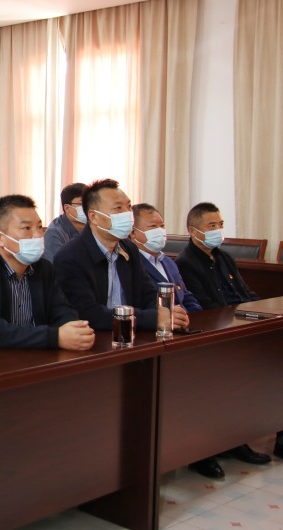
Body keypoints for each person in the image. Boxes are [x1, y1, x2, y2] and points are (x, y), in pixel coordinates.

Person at [175, 201, 271, 475]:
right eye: (211, 225)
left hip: (239, 327)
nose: (218, 230)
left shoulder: (224, 257)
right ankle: (210, 448)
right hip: (215, 335)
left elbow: (244, 293)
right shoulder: (186, 263)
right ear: (193, 231)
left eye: (220, 224)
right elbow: (205, 308)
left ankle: (237, 440)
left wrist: (264, 311)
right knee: (227, 383)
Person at [0, 195, 94, 352]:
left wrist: (74, 329)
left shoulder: (44, 268)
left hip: (34, 353)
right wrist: (56, 337)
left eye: (39, 227)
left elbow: (61, 310)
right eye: (27, 228)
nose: (38, 235)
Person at [53, 179, 188, 331]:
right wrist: (152, 318)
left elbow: (148, 294)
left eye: (128, 207)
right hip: (94, 338)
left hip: (131, 335)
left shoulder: (129, 248)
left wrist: (166, 313)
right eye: (118, 208)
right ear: (94, 216)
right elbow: (89, 314)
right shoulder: (70, 257)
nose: (127, 214)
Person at [129, 203, 201, 313]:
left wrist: (197, 315)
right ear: (133, 233)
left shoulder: (168, 262)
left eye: (162, 226)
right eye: (153, 226)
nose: (160, 231)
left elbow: (186, 296)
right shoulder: (130, 264)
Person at [43, 183, 88, 262]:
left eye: (90, 203)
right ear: (67, 208)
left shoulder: (94, 227)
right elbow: (59, 265)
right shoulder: (54, 233)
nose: (88, 207)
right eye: (82, 204)